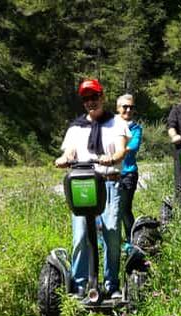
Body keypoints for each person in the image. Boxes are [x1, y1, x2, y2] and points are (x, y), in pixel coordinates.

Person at [55, 79, 129, 300]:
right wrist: (64, 158)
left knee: (112, 233)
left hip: (108, 182)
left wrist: (111, 158)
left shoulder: (116, 123)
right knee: (80, 235)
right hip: (83, 185)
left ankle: (111, 284)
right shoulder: (76, 127)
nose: (90, 102)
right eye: (86, 98)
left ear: (102, 97)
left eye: (94, 97)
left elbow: (121, 150)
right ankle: (80, 285)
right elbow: (70, 151)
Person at [115, 93, 142, 247]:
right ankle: (109, 241)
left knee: (124, 209)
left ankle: (131, 243)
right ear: (118, 108)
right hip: (110, 174)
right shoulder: (109, 126)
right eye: (125, 107)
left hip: (128, 173)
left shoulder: (136, 128)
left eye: (131, 107)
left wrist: (115, 153)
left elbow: (133, 146)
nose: (128, 110)